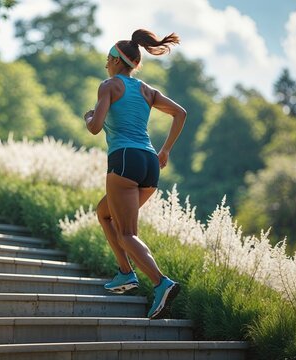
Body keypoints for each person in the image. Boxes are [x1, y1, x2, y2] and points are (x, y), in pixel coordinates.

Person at [83, 29, 186, 320]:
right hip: (149, 162)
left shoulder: (109, 86)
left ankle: (161, 282)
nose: (106, 64)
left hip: (124, 159)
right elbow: (181, 113)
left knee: (126, 232)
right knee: (105, 214)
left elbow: (95, 127)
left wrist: (88, 116)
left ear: (117, 61)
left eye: (107, 59)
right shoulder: (146, 90)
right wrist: (165, 151)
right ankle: (126, 272)